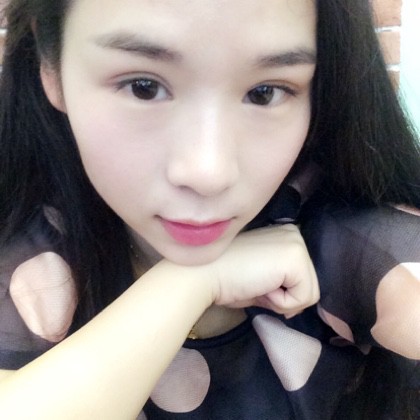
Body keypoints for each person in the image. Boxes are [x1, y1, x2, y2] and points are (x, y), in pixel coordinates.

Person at [0, 0, 418, 418]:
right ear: (51, 66)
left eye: (265, 93)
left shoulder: (358, 245)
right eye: (143, 86)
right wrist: (192, 282)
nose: (208, 173)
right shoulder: (24, 252)